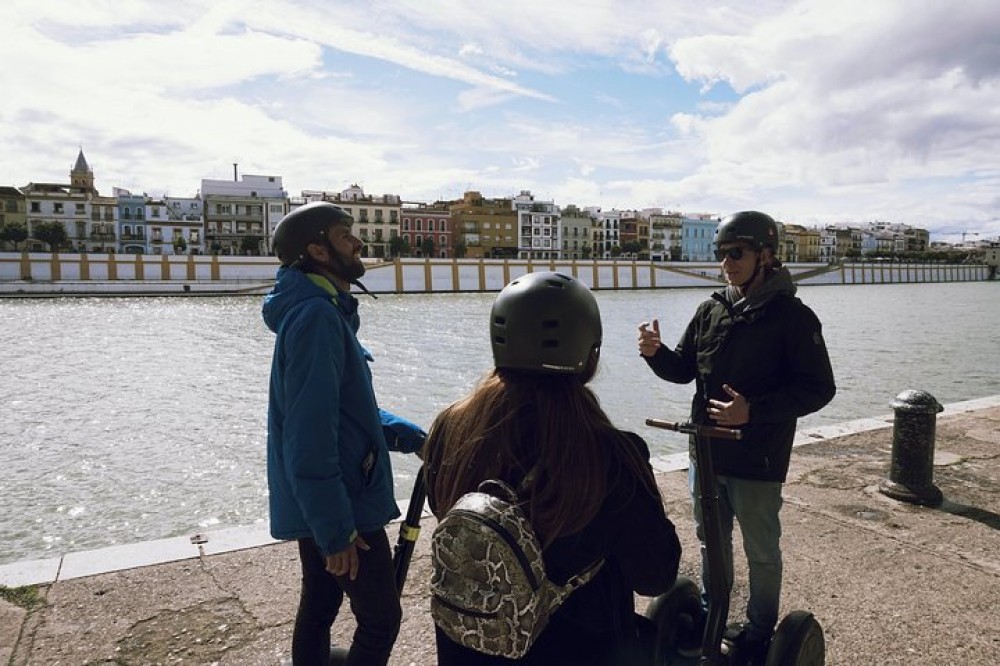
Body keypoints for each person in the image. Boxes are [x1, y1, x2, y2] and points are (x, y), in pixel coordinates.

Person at [424, 271, 682, 666]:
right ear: (589, 353)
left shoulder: (449, 428)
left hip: (471, 647)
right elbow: (655, 575)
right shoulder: (611, 453)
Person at [637, 211, 836, 664]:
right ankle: (711, 614)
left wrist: (753, 412)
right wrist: (655, 354)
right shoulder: (711, 309)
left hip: (757, 460)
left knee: (760, 550)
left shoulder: (792, 317)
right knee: (711, 543)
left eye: (737, 253)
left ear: (767, 256)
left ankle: (760, 630)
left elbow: (818, 388)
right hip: (705, 453)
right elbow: (684, 368)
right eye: (722, 254)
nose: (727, 262)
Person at [262, 202, 426, 666]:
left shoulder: (321, 310)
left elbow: (345, 410)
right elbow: (309, 435)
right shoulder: (317, 318)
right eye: (344, 235)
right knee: (381, 618)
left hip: (320, 497)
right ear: (317, 250)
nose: (358, 242)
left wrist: (412, 437)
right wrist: (336, 531)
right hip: (341, 500)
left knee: (319, 603)